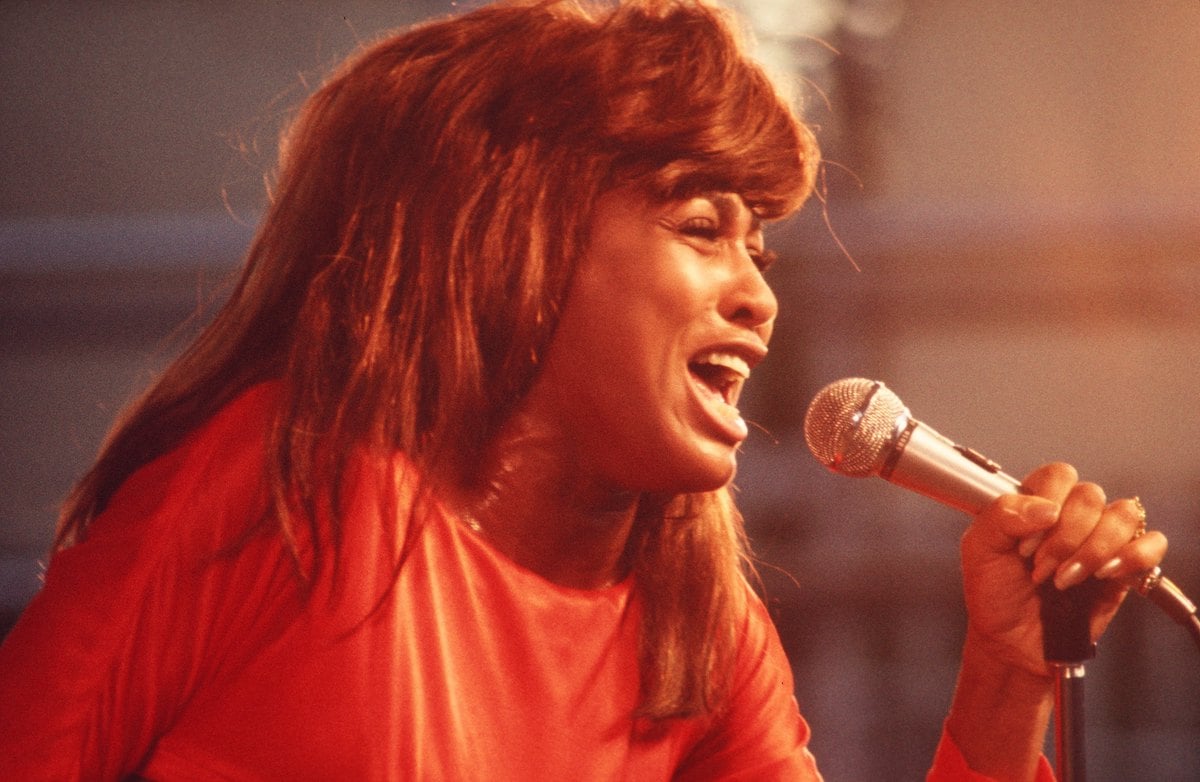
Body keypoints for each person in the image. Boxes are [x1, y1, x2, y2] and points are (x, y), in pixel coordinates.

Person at [0, 0, 1169, 779]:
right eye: (702, 224)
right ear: (518, 236)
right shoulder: (284, 487)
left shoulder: (692, 617)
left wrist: (1011, 675)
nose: (761, 296)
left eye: (759, 246)